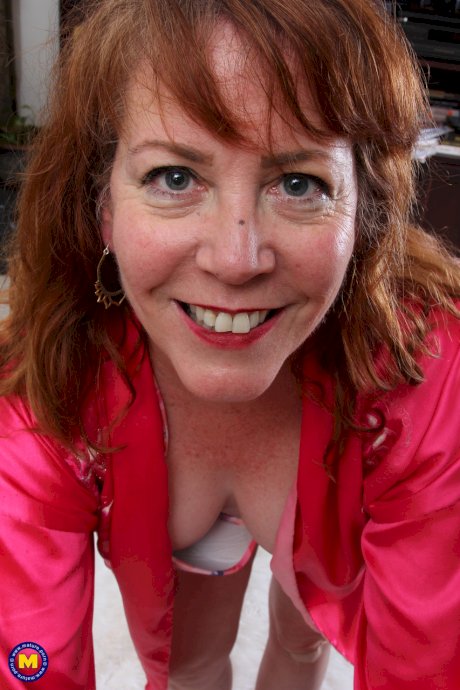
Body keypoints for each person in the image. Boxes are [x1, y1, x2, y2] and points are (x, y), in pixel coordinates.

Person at [1, 0, 459, 688]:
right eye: (175, 178)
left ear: (365, 213)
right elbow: (27, 664)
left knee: (302, 639)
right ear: (102, 208)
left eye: (299, 184)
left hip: (353, 467)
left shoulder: (433, 376)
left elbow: (427, 669)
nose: (236, 260)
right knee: (189, 665)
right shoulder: (47, 390)